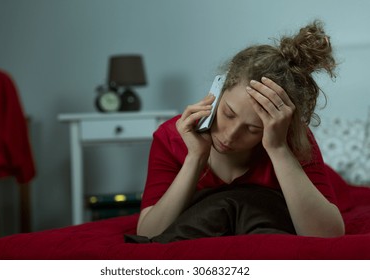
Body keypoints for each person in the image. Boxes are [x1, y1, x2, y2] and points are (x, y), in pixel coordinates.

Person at [131, 20, 345, 243]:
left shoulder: (292, 139)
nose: (231, 135)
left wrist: (279, 149)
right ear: (218, 90)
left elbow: (328, 235)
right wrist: (195, 158)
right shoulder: (172, 136)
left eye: (253, 129)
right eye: (228, 113)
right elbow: (148, 234)